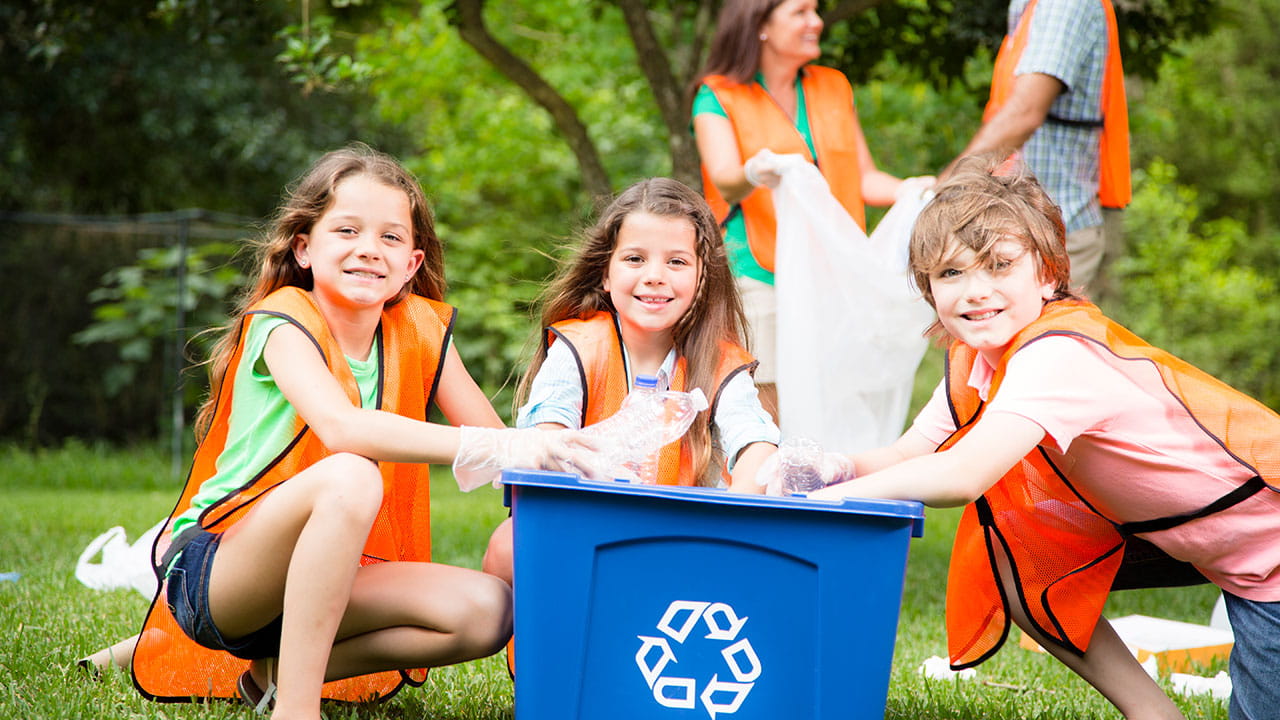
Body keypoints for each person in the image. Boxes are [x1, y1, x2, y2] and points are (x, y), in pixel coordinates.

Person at [784, 154, 1280, 720]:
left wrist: (822, 503)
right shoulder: (977, 359)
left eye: (998, 266)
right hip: (1196, 537)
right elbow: (908, 455)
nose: (974, 291)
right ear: (928, 289)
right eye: (950, 274)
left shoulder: (1057, 353)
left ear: (1047, 274)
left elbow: (959, 475)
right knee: (1014, 564)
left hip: (1267, 550)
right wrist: (830, 469)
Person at [127, 143, 602, 720]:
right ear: (304, 247)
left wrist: (594, 465)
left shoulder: (421, 331)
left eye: (390, 238)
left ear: (412, 264)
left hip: (328, 579)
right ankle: (295, 711)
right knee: (350, 473)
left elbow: (507, 451)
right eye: (347, 230)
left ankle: (270, 675)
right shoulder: (281, 320)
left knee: (488, 610)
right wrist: (496, 444)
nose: (368, 250)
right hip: (220, 569)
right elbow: (343, 426)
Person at [482, 177, 780, 587]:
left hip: (684, 539)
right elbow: (547, 436)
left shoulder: (721, 363)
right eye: (635, 259)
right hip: (586, 529)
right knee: (507, 547)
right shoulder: (577, 348)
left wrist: (739, 506)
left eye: (676, 262)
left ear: (701, 279)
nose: (655, 276)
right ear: (605, 273)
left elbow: (756, 441)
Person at [690, 0, 934, 421]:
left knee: (834, 404)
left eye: (815, 11)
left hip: (834, 277)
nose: (816, 22)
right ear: (760, 24)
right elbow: (726, 178)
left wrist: (914, 190)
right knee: (768, 410)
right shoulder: (718, 96)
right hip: (758, 272)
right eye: (801, 12)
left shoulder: (832, 86)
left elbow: (862, 178)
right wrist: (755, 170)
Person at [943, 0, 1130, 295]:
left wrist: (945, 191)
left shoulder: (1063, 4)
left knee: (1045, 339)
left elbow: (1024, 113)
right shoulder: (1030, 6)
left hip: (1053, 236)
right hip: (1019, 234)